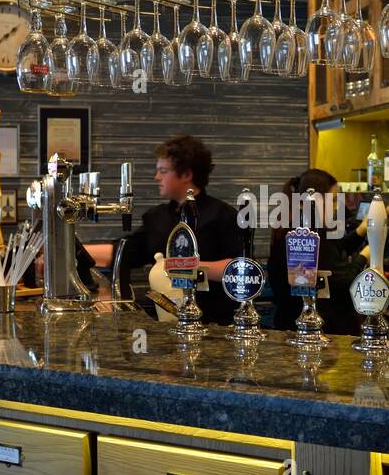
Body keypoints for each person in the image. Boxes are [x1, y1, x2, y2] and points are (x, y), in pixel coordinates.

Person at [84, 135, 243, 323]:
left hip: (215, 325)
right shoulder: (157, 217)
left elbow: (240, 269)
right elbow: (125, 251)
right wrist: (70, 253)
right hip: (167, 324)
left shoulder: (223, 215)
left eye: (163, 171)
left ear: (186, 175)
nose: (157, 177)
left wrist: (185, 268)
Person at [266, 169, 371, 336]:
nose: (336, 208)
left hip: (289, 323)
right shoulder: (312, 233)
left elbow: (331, 253)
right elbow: (345, 280)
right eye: (334, 200)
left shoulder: (290, 225)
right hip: (320, 330)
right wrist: (365, 255)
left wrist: (360, 232)